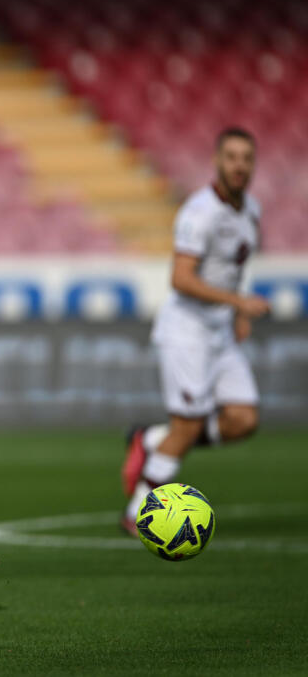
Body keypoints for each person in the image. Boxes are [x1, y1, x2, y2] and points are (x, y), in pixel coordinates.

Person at [121, 127, 269, 533]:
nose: (239, 166)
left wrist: (236, 313)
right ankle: (135, 513)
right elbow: (181, 278)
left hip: (220, 331)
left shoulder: (251, 210)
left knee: (243, 419)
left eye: (246, 158)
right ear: (218, 162)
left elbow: (232, 268)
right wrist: (239, 303)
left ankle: (151, 440)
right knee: (186, 427)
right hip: (187, 331)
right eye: (232, 157)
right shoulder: (199, 212)